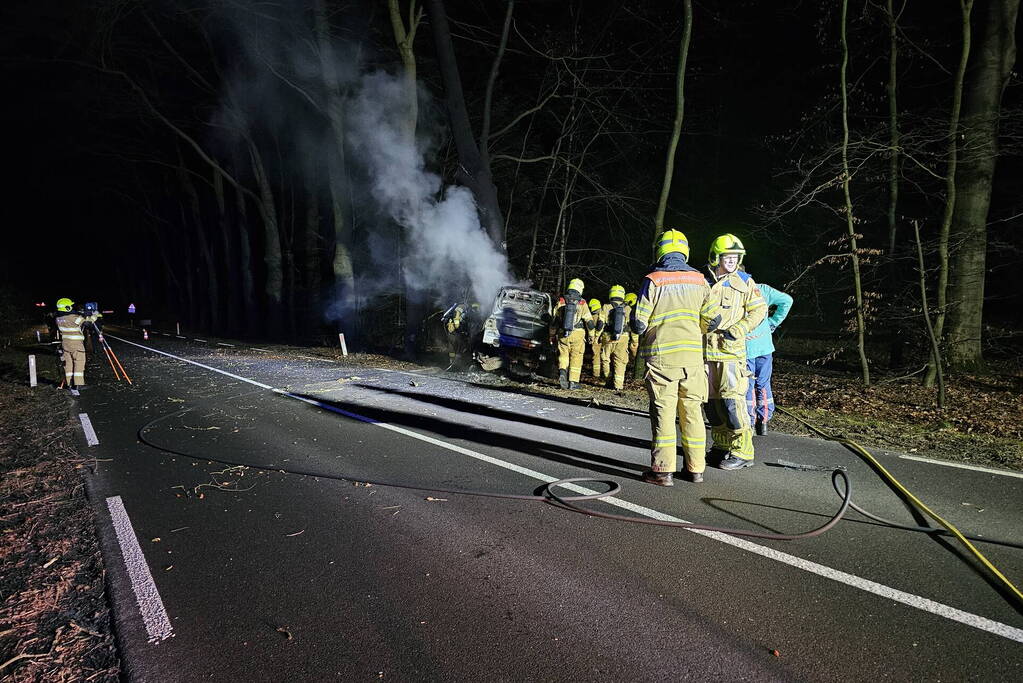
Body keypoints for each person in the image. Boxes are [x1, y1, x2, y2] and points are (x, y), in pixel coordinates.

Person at [633, 230, 721, 486]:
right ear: (685, 251)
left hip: (662, 361)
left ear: (660, 250)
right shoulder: (700, 280)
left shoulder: (654, 280)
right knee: (692, 414)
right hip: (693, 361)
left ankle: (662, 472)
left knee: (664, 414)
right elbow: (713, 320)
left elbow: (639, 324)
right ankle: (695, 470)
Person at [704, 234, 767, 470]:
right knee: (712, 405)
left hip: (731, 354)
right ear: (716, 257)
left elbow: (758, 311)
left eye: (734, 257)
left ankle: (743, 451)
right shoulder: (703, 281)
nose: (731, 261)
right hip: (706, 354)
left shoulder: (745, 282)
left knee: (732, 404)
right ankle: (721, 446)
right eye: (727, 257)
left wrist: (739, 328)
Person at [745, 283, 793, 435]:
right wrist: (772, 322)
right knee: (763, 383)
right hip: (765, 346)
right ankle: (764, 421)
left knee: (748, 384)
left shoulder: (734, 291)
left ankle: (750, 422)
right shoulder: (763, 290)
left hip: (745, 347)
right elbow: (787, 301)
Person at [550, 278, 594, 390]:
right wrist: (591, 335)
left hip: (562, 333)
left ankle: (562, 372)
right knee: (576, 357)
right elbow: (589, 322)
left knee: (563, 355)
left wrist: (551, 334)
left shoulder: (561, 301)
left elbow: (554, 320)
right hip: (578, 334)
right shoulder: (582, 302)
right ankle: (573, 382)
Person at [596, 286, 632, 391]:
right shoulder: (628, 308)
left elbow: (600, 323)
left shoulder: (606, 307)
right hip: (623, 337)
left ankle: (608, 380)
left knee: (605, 358)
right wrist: (635, 341)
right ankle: (618, 385)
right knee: (620, 361)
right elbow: (632, 326)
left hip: (608, 336)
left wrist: (597, 336)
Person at [54, 297, 88, 391]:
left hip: (65, 344)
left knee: (68, 364)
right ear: (67, 307)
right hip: (76, 344)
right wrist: (92, 316)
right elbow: (87, 323)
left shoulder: (58, 319)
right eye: (71, 306)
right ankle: (78, 384)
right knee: (79, 362)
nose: (72, 307)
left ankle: (69, 383)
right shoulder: (74, 318)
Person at [441, 302, 471, 370]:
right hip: (456, 331)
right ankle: (456, 364)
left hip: (452, 330)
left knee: (452, 347)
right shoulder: (463, 306)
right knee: (458, 347)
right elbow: (458, 314)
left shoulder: (453, 307)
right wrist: (457, 323)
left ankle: (452, 362)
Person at [624, 292, 641, 380]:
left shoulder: (629, 309)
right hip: (633, 332)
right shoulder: (635, 309)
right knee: (633, 347)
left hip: (630, 333)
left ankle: (632, 364)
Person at [587, 298, 603, 380]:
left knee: (596, 356)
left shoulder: (592, 317)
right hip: (606, 338)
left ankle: (596, 374)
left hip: (596, 339)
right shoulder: (604, 313)